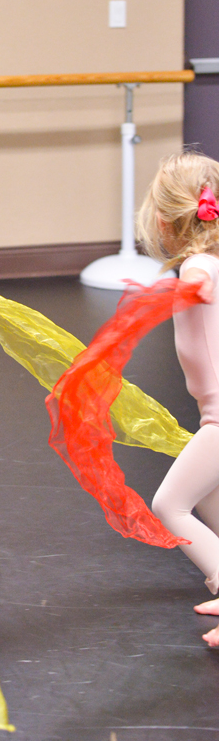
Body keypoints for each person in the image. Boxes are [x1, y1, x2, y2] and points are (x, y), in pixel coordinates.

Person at [137, 151, 219, 647]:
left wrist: (196, 282)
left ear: (165, 221)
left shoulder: (199, 267)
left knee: (169, 505)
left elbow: (200, 280)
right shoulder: (207, 263)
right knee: (208, 497)